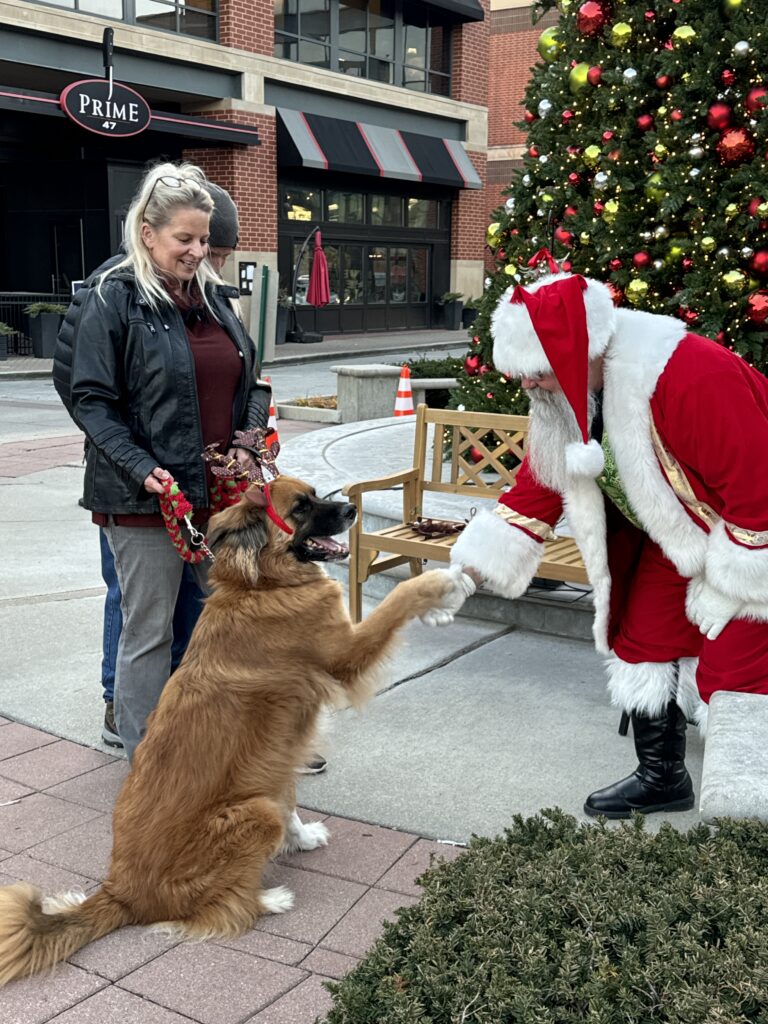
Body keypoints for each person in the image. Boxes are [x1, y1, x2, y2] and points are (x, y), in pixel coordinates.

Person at [445, 264, 768, 819]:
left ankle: (747, 819)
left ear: (580, 351)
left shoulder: (688, 375)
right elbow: (540, 484)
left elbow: (760, 486)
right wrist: (465, 575)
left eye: (537, 372)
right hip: (681, 537)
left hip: (751, 539)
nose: (527, 385)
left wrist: (737, 586)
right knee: (641, 638)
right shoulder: (566, 395)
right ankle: (663, 778)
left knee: (738, 679)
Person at [66, 161, 271, 762]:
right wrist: (139, 466)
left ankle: (211, 749)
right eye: (185, 239)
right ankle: (148, 769)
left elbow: (252, 385)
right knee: (148, 636)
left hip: (218, 500)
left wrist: (246, 438)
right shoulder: (114, 297)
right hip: (144, 503)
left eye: (204, 240)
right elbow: (90, 401)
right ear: (147, 233)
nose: (197, 251)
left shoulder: (212, 298)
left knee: (223, 631)